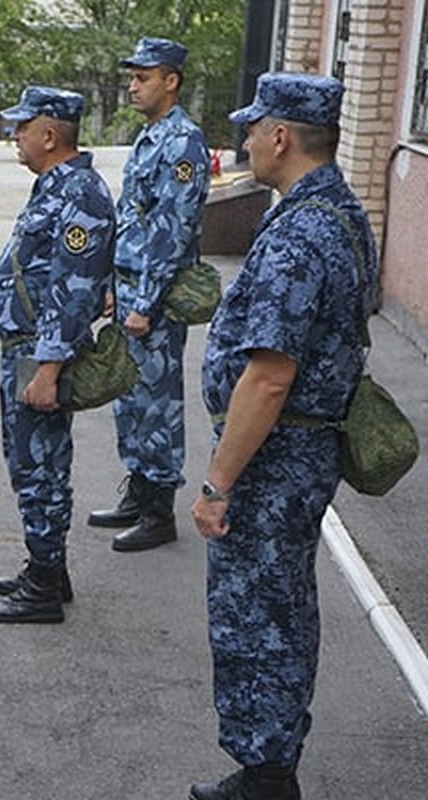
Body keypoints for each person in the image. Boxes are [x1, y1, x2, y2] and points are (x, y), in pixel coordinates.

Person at [189, 73, 374, 800]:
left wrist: (216, 484)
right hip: (302, 452)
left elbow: (268, 377)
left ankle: (266, 774)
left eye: (251, 127)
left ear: (281, 136)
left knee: (258, 612)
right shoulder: (339, 210)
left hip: (276, 460)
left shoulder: (302, 230)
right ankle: (272, 764)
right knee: (284, 604)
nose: (243, 141)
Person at [0, 87, 115, 623]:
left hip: (38, 353)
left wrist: (49, 368)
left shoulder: (80, 194)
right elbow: (38, 263)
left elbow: (76, 290)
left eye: (21, 126)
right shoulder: (55, 186)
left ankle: (43, 587)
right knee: (32, 462)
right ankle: (47, 567)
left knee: (40, 466)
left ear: (49, 135)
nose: (14, 135)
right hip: (28, 347)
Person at [87, 37, 210, 553]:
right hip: (131, 287)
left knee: (156, 403)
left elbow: (171, 231)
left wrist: (146, 303)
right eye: (132, 76)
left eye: (143, 77)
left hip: (153, 297)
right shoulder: (150, 135)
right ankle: (139, 490)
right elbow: (132, 220)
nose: (133, 85)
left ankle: (160, 511)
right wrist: (115, 287)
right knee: (130, 397)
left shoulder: (182, 142)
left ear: (171, 81)